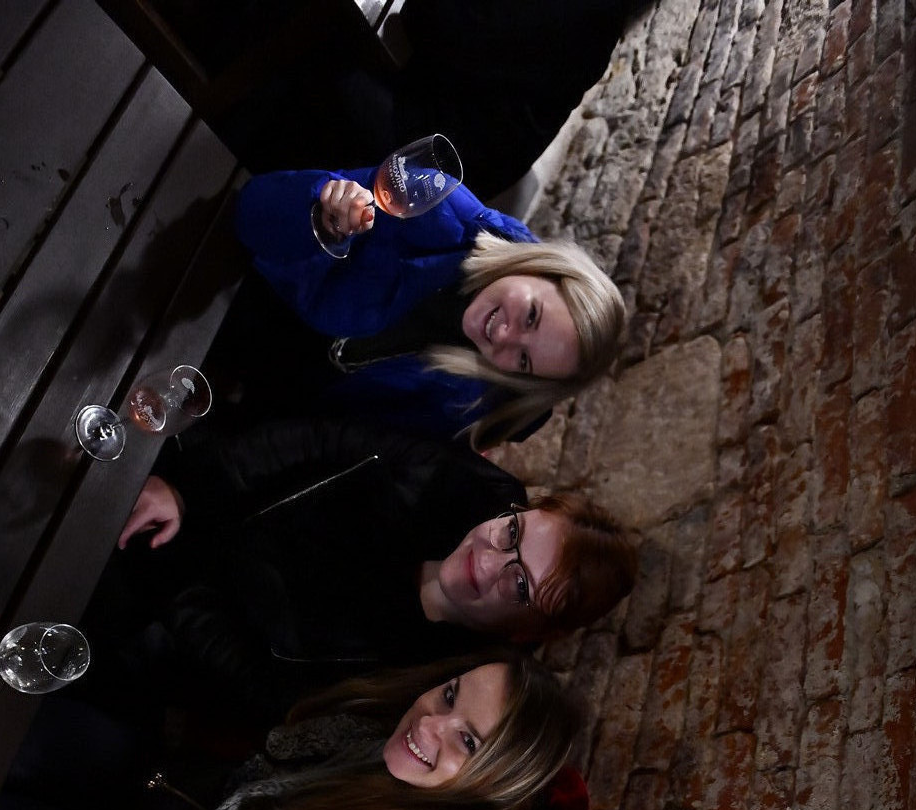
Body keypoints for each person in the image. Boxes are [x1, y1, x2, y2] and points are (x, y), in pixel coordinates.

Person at [108, 412, 636, 723]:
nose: (489, 559)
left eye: (519, 584)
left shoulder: (430, 682)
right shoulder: (476, 489)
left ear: (528, 632)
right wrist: (187, 491)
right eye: (512, 533)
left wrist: (165, 570)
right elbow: (323, 439)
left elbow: (258, 685)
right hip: (198, 481)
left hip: (156, 613)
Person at [223, 165, 625, 445]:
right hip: (230, 293)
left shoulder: (466, 403)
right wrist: (321, 215)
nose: (505, 335)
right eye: (532, 316)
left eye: (523, 360)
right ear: (539, 268)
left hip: (254, 410)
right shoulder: (435, 202)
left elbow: (341, 438)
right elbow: (252, 210)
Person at [186, 652, 577, 810]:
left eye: (468, 741)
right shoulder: (374, 716)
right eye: (450, 695)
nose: (429, 724)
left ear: (495, 788)